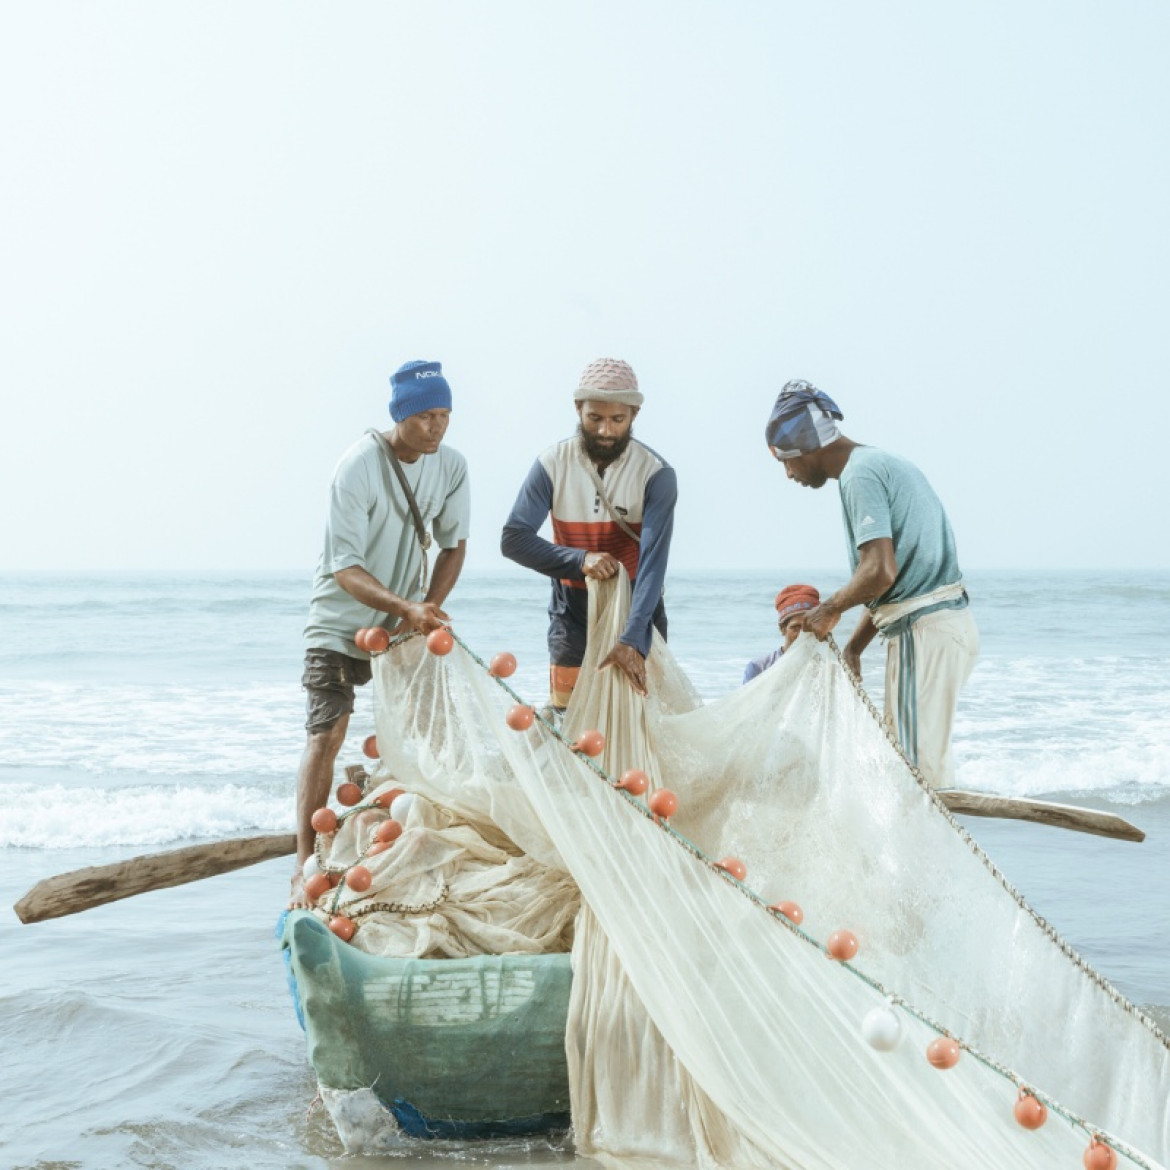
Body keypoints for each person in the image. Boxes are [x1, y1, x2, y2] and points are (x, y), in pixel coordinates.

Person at [292, 360, 470, 906]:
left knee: (423, 737)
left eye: (445, 415)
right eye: (425, 417)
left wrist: (427, 608)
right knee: (327, 734)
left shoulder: (452, 466)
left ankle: (407, 847)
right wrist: (405, 607)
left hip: (406, 625)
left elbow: (454, 544)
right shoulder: (358, 467)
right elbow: (344, 568)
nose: (437, 428)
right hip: (339, 621)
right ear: (401, 417)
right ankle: (302, 864)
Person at [764, 380, 978, 788]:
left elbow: (879, 570)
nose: (789, 474)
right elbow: (883, 582)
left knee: (914, 779)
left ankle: (928, 852)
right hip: (942, 625)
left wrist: (830, 608)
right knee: (918, 764)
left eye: (786, 462)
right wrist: (855, 646)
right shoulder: (879, 463)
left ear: (806, 449)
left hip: (923, 630)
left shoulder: (857, 476)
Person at [501, 358, 677, 711]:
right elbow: (513, 539)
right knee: (571, 722)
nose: (605, 431)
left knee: (642, 719)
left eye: (617, 420)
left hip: (637, 610)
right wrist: (580, 560)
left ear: (634, 415)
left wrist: (632, 640)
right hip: (572, 613)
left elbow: (652, 566)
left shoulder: (656, 474)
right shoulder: (552, 464)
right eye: (594, 418)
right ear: (578, 408)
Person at [742, 584, 821, 684]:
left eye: (809, 627)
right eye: (796, 628)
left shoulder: (827, 669)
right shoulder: (759, 668)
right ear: (782, 629)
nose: (803, 634)